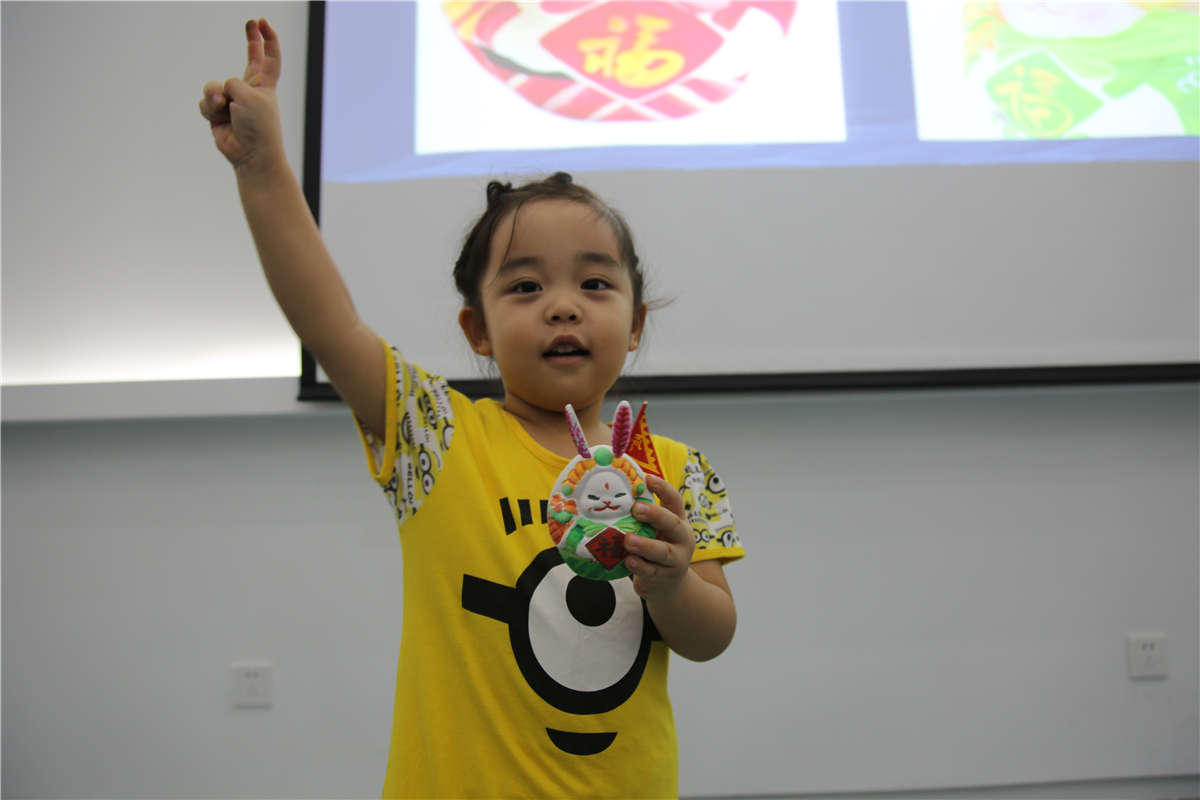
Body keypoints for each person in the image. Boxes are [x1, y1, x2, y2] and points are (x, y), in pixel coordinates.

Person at [199, 18, 743, 799]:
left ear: (636, 323)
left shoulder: (678, 472)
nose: (563, 306)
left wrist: (671, 584)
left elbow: (711, 637)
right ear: (477, 330)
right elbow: (331, 324)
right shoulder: (436, 436)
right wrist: (261, 168)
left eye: (595, 283)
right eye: (525, 286)